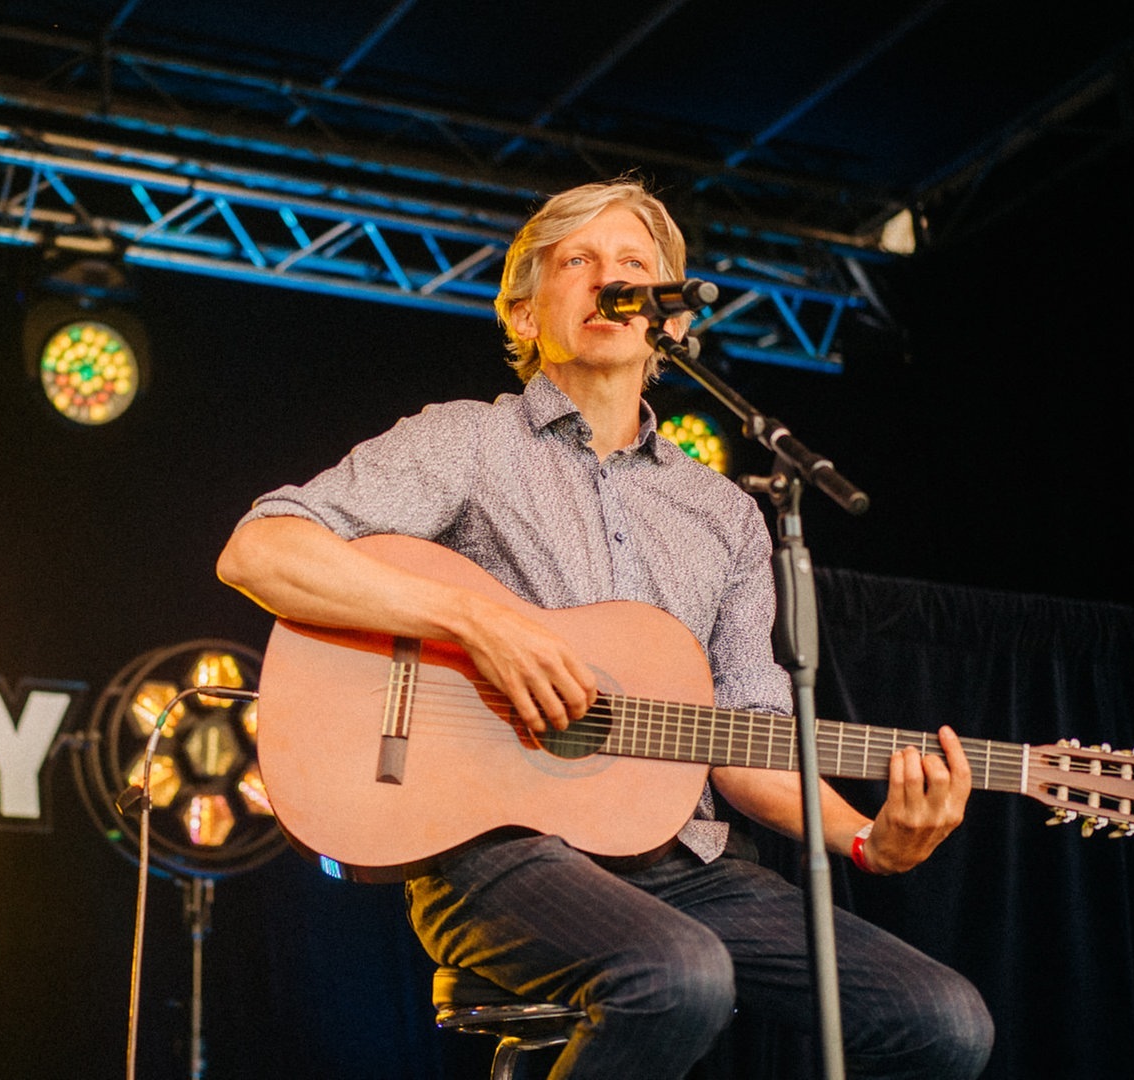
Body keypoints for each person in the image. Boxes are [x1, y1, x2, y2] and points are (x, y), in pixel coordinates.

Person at [216, 178, 993, 1079]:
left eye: (634, 267)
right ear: (524, 308)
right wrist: (476, 622)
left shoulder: (727, 514)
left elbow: (750, 743)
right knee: (680, 974)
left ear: (670, 320)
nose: (608, 281)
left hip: (687, 860)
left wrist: (867, 839)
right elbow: (261, 550)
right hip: (493, 853)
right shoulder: (468, 443)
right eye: (578, 262)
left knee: (945, 1022)